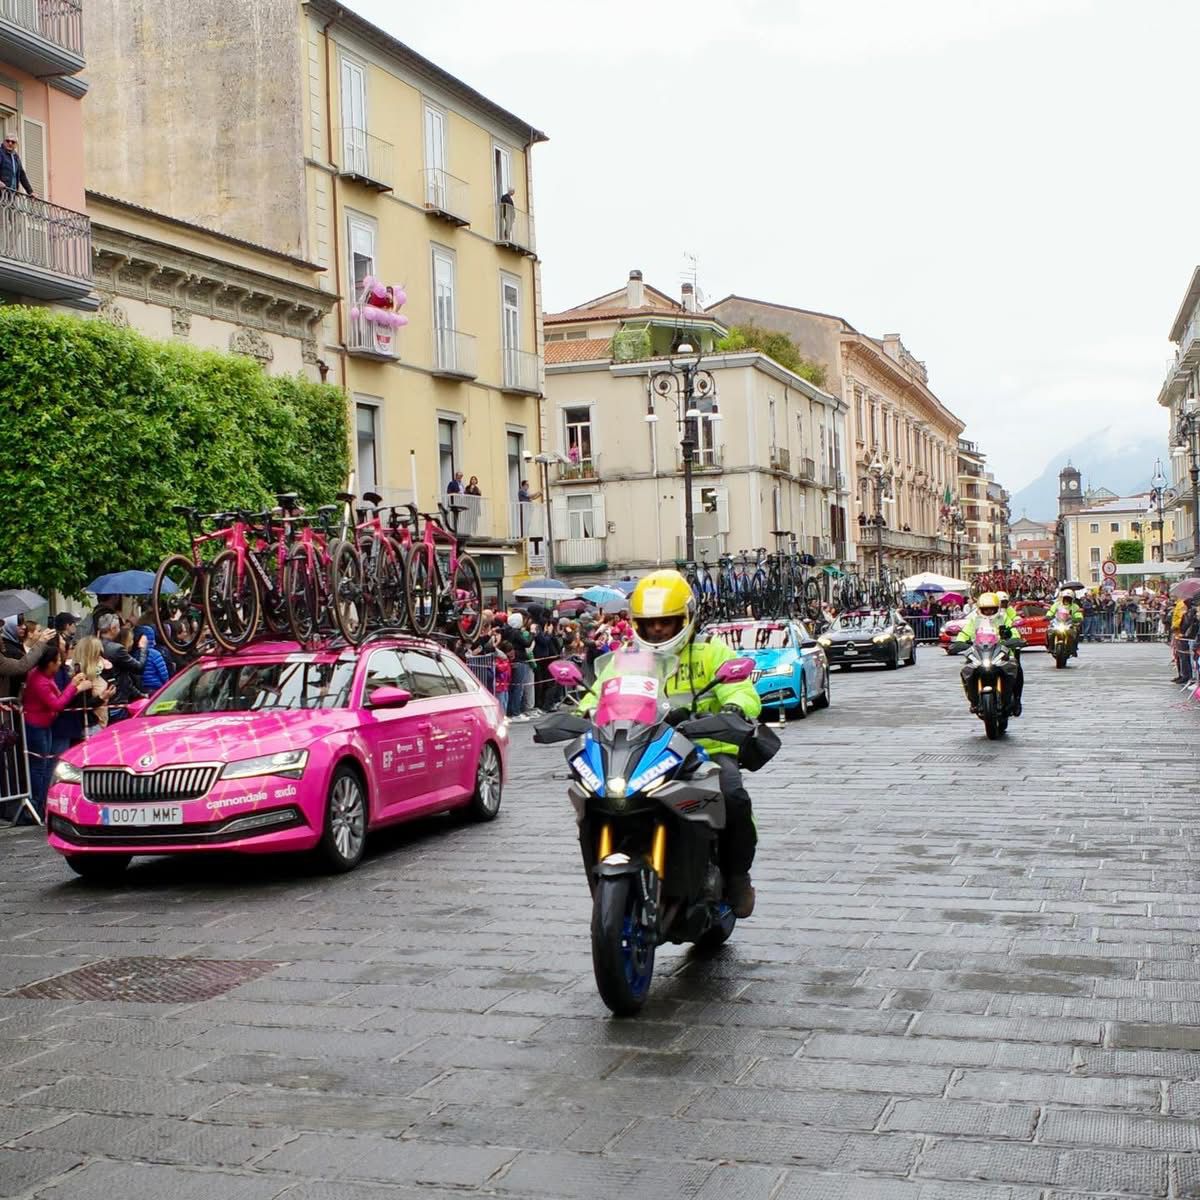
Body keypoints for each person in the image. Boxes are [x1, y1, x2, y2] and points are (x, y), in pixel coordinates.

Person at [578, 569, 763, 918]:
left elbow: (740, 688)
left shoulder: (709, 651)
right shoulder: (629, 657)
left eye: (667, 621)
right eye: (650, 623)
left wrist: (736, 706)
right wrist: (584, 710)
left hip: (703, 748)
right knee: (595, 796)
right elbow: (599, 692)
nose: (658, 629)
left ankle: (737, 876)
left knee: (733, 794)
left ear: (687, 618)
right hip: (644, 747)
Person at [22, 639, 94, 822]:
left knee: (46, 766)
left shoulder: (44, 677)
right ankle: (37, 805)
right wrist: (74, 687)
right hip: (36, 726)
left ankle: (41, 805)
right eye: (58, 661)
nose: (61, 663)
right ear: (50, 663)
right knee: (40, 767)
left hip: (44, 724)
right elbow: (58, 703)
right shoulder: (40, 682)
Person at [952, 591, 1024, 716]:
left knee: (1017, 668)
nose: (989, 612)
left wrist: (1013, 638)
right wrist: (959, 643)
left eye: (992, 609)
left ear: (997, 608)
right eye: (986, 609)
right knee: (967, 669)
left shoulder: (1003, 618)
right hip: (980, 652)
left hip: (1001, 652)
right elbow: (964, 633)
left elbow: (1013, 630)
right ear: (980, 609)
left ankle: (1017, 700)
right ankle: (973, 700)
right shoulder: (974, 620)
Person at [97, 613, 148, 717]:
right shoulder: (116, 649)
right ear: (113, 628)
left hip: (102, 698)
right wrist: (143, 648)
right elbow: (139, 668)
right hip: (116, 700)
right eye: (118, 627)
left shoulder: (94, 644)